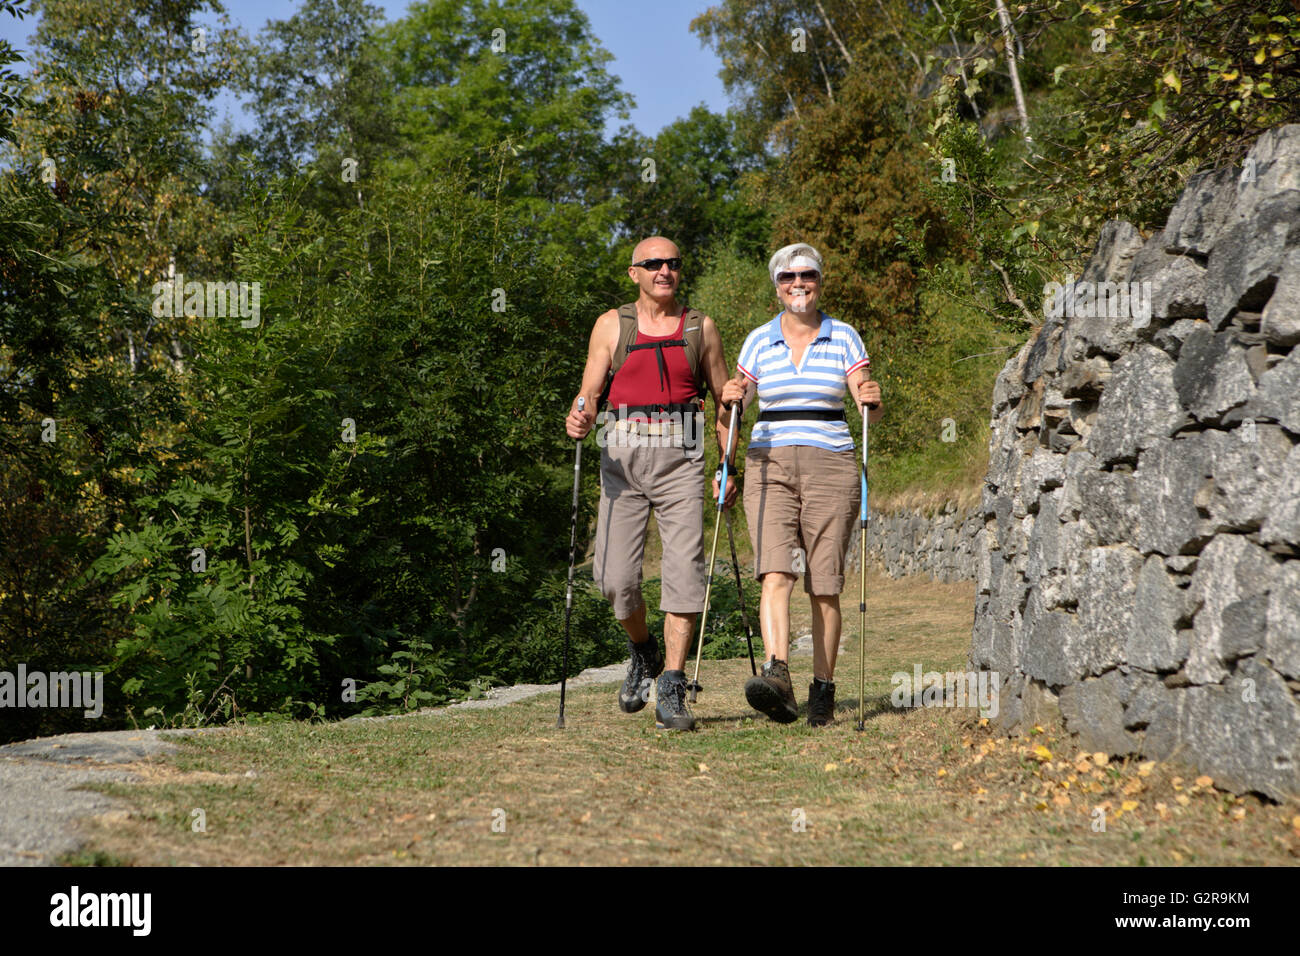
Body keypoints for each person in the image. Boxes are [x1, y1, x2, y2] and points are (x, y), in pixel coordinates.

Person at [565, 237, 737, 731]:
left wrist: (728, 463)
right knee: (615, 580)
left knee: (684, 572)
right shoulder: (611, 325)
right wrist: (578, 417)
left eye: (673, 263)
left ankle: (673, 687)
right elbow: (588, 393)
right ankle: (643, 650)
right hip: (620, 455)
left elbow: (724, 402)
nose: (665, 270)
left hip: (683, 456)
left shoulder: (700, 328)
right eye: (654, 264)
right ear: (633, 273)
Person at [720, 242, 883, 726]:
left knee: (825, 584)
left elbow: (863, 397)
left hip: (830, 462)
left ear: (819, 280)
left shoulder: (845, 337)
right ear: (776, 287)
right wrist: (731, 400)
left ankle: (823, 690)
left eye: (807, 275)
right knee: (775, 571)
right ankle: (777, 677)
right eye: (788, 278)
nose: (798, 284)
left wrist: (871, 397)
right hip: (768, 464)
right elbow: (737, 404)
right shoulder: (756, 341)